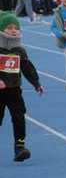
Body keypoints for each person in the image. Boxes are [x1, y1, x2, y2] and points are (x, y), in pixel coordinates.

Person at [0, 11, 44, 162]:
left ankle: (19, 147)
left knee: (19, 117)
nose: (13, 30)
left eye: (16, 28)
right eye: (9, 27)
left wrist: (36, 83)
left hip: (14, 90)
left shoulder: (20, 50)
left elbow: (27, 68)